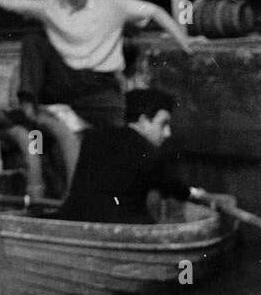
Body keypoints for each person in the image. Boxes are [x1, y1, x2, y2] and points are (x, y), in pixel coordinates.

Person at [0, 0, 193, 130]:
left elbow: (155, 11)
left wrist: (184, 39)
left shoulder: (111, 2)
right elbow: (8, 1)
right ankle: (29, 106)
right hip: (65, 78)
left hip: (100, 82)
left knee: (115, 131)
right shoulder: (51, 6)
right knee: (34, 40)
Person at [54, 88, 234, 225]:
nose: (167, 133)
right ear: (143, 120)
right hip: (124, 229)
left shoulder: (93, 138)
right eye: (163, 124)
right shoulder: (149, 153)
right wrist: (196, 193)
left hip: (73, 221)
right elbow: (174, 188)